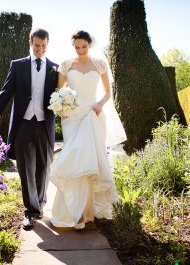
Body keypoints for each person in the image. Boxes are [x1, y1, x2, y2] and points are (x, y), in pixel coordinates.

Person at [50, 30, 127, 230]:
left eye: (84, 46)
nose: (80, 50)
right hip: (72, 118)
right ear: (72, 46)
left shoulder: (100, 64)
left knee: (91, 161)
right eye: (77, 47)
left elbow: (108, 92)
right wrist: (62, 109)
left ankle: (88, 212)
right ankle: (74, 212)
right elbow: (60, 92)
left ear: (90, 45)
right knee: (75, 160)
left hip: (92, 115)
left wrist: (99, 105)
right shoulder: (66, 65)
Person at [0, 28, 58, 231]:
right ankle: (31, 211)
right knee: (26, 170)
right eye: (37, 45)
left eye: (44, 46)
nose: (40, 49)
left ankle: (40, 204)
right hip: (24, 124)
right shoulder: (17, 66)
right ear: (30, 43)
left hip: (45, 124)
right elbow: (6, 91)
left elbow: (61, 96)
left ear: (48, 44)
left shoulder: (55, 68)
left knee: (44, 168)